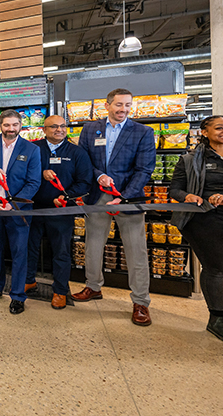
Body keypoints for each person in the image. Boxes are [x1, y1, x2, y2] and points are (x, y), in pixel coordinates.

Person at [73, 88, 156, 326]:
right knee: (93, 245)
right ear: (107, 105)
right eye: (119, 105)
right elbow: (84, 160)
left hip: (128, 198)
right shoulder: (90, 128)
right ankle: (93, 286)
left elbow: (144, 170)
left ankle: (141, 301)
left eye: (128, 105)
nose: (124, 109)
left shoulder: (142, 132)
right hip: (97, 196)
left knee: (136, 250)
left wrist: (124, 196)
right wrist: (99, 177)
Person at [0, 109, 41, 315]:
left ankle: (18, 296)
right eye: (7, 125)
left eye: (15, 125)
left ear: (20, 126)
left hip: (18, 210)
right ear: (0, 125)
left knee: (20, 252)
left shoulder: (31, 149)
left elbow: (33, 182)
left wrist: (14, 203)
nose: (11, 129)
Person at [26, 115, 92, 309]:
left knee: (61, 251)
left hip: (61, 210)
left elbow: (84, 181)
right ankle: (29, 280)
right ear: (44, 129)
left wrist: (67, 196)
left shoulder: (77, 152)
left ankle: (60, 290)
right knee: (29, 247)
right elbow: (20, 172)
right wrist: (40, 173)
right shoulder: (33, 148)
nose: (59, 130)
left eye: (62, 126)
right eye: (54, 126)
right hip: (33, 207)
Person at [169, 115, 223, 340]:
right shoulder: (190, 160)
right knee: (217, 267)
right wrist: (189, 195)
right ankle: (217, 318)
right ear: (204, 132)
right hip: (204, 218)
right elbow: (175, 190)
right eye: (219, 128)